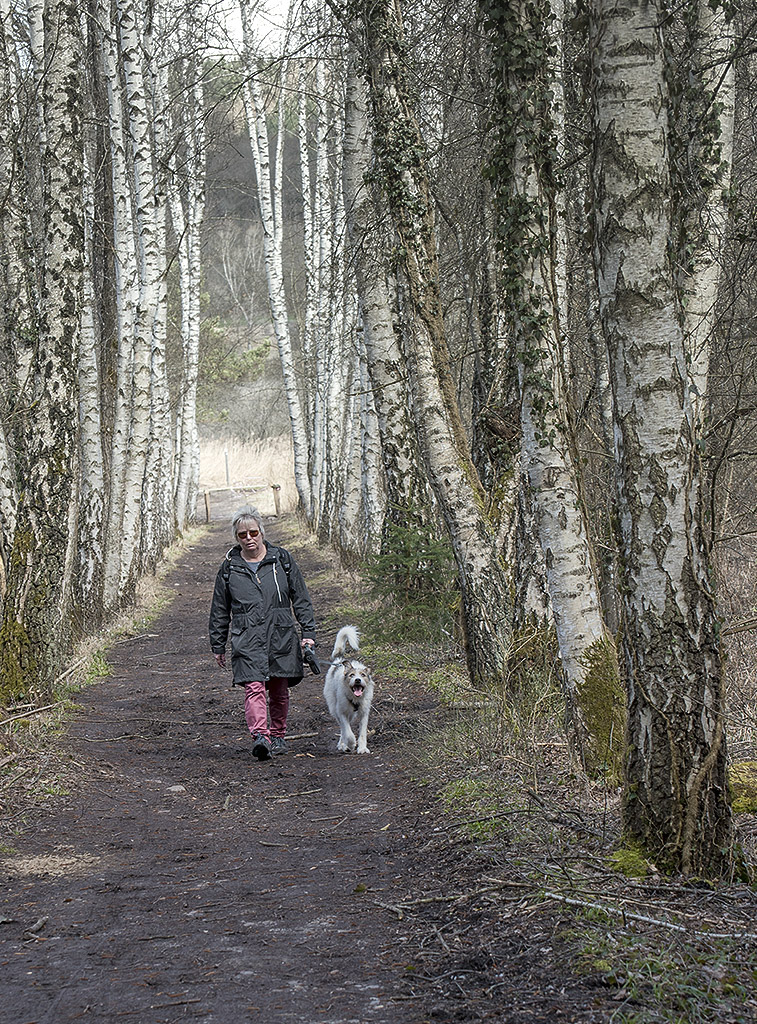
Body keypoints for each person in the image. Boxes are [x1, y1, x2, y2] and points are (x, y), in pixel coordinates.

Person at [209, 505, 317, 761]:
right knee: (254, 687)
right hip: (247, 636)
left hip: (281, 634)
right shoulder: (229, 568)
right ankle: (260, 736)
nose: (249, 538)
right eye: (242, 534)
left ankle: (278, 736)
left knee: (279, 688)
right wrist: (218, 644)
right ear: (236, 537)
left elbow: (301, 599)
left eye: (253, 532)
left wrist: (308, 633)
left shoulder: (282, 560)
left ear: (261, 532)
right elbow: (220, 609)